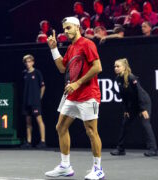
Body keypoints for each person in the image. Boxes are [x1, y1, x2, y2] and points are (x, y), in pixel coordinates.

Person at [45, 17, 105, 180]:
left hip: (88, 95)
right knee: (61, 127)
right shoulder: (71, 48)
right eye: (64, 29)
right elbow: (62, 68)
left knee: (91, 131)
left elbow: (97, 67)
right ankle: (65, 166)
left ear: (78, 27)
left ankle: (98, 169)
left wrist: (77, 83)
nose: (66, 31)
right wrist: (54, 49)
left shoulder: (87, 44)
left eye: (69, 28)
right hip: (72, 96)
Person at [110, 58, 158, 157]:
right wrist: (126, 110)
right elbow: (123, 96)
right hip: (132, 104)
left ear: (124, 67)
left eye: (118, 66)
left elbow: (139, 93)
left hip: (143, 102)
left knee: (145, 124)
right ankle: (120, 149)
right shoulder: (118, 79)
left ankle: (153, 150)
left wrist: (143, 108)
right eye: (115, 66)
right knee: (125, 123)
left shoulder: (132, 78)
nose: (115, 68)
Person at [21, 54, 46, 149]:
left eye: (29, 61)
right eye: (26, 62)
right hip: (26, 102)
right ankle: (28, 142)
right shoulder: (24, 74)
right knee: (28, 122)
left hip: (35, 102)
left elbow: (43, 86)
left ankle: (43, 141)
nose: (27, 63)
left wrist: (39, 97)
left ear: (33, 62)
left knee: (39, 120)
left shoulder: (37, 73)